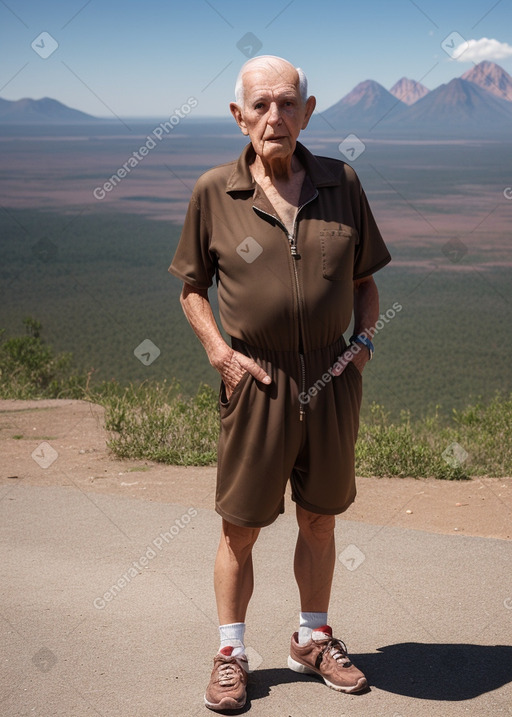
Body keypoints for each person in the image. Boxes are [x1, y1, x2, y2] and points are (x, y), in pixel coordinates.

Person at [169, 55, 391, 712]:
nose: (276, 116)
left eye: (288, 103)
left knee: (320, 518)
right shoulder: (215, 191)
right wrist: (220, 352)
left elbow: (366, 280)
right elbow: (191, 287)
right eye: (261, 104)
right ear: (239, 116)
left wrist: (364, 344)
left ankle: (312, 636)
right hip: (255, 381)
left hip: (330, 378)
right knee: (240, 526)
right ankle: (232, 653)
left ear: (308, 111)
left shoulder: (341, 181)